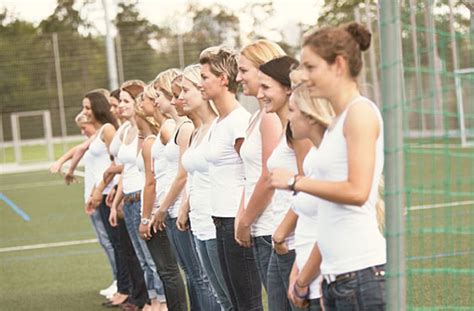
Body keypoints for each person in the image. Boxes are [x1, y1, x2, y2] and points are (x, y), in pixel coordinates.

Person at [270, 22, 386, 310]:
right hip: (337, 277)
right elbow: (329, 214)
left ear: (339, 65)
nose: (305, 77)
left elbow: (358, 191)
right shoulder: (338, 122)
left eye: (311, 67)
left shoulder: (360, 113)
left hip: (361, 273)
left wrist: (295, 181)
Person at [200, 46, 263, 310]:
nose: (200, 83)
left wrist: (243, 219)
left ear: (223, 79)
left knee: (246, 303)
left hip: (235, 223)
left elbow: (253, 171)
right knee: (234, 303)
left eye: (205, 77)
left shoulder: (238, 120)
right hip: (220, 219)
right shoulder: (219, 122)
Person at [258, 56, 314, 311]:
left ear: (288, 89)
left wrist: (281, 234)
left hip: (292, 241)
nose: (260, 94)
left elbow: (307, 185)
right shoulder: (285, 128)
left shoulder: (297, 131)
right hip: (281, 241)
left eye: (266, 87)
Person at [179, 64, 233, 310]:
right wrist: (186, 206)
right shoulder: (197, 130)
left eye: (185, 90)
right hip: (199, 223)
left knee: (231, 300)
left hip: (216, 224)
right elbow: (193, 176)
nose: (180, 97)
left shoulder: (219, 127)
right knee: (220, 297)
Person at [110, 80, 166, 311]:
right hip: (130, 200)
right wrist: (116, 203)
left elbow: (149, 172)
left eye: (126, 101)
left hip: (143, 199)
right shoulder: (127, 131)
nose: (121, 105)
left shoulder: (147, 133)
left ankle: (161, 303)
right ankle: (151, 301)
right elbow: (126, 170)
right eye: (119, 101)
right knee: (143, 260)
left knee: (153, 260)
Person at [235, 40, 286, 291]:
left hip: (270, 228)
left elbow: (269, 175)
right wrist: (242, 216)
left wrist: (246, 220)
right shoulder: (258, 115)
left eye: (244, 70)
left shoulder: (270, 117)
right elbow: (251, 175)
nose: (238, 77)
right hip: (260, 226)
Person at [139, 80, 188, 311]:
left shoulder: (170, 128)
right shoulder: (165, 129)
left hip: (171, 207)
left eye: (153, 96)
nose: (152, 100)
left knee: (179, 272)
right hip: (166, 207)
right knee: (180, 272)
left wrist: (155, 212)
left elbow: (179, 173)